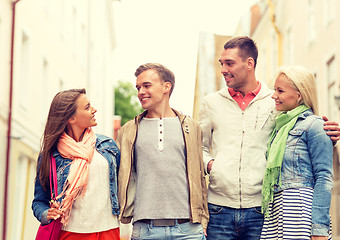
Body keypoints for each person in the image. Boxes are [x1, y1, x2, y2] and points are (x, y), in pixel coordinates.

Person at [199, 36, 340, 240]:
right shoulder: (211, 103)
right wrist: (212, 165)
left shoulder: (274, 102)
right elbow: (199, 148)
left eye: (229, 63)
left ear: (249, 64)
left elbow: (299, 131)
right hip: (220, 209)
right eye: (222, 63)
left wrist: (329, 135)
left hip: (262, 209)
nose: (223, 69)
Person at [116, 63, 208, 240]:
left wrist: (203, 221)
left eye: (147, 85)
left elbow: (199, 177)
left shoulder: (191, 127)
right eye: (138, 87)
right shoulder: (128, 131)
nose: (140, 91)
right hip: (145, 230)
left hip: (188, 230)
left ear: (166, 87)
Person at [32, 89, 121, 240]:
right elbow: (39, 201)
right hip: (70, 232)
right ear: (71, 118)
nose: (94, 110)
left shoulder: (108, 146)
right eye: (87, 107)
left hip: (109, 230)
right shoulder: (51, 155)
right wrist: (46, 213)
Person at [260, 65, 333, 240]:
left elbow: (324, 177)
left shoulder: (315, 125)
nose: (274, 95)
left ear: (299, 95)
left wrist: (319, 230)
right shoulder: (280, 127)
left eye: (280, 91)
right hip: (277, 210)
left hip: (300, 212)